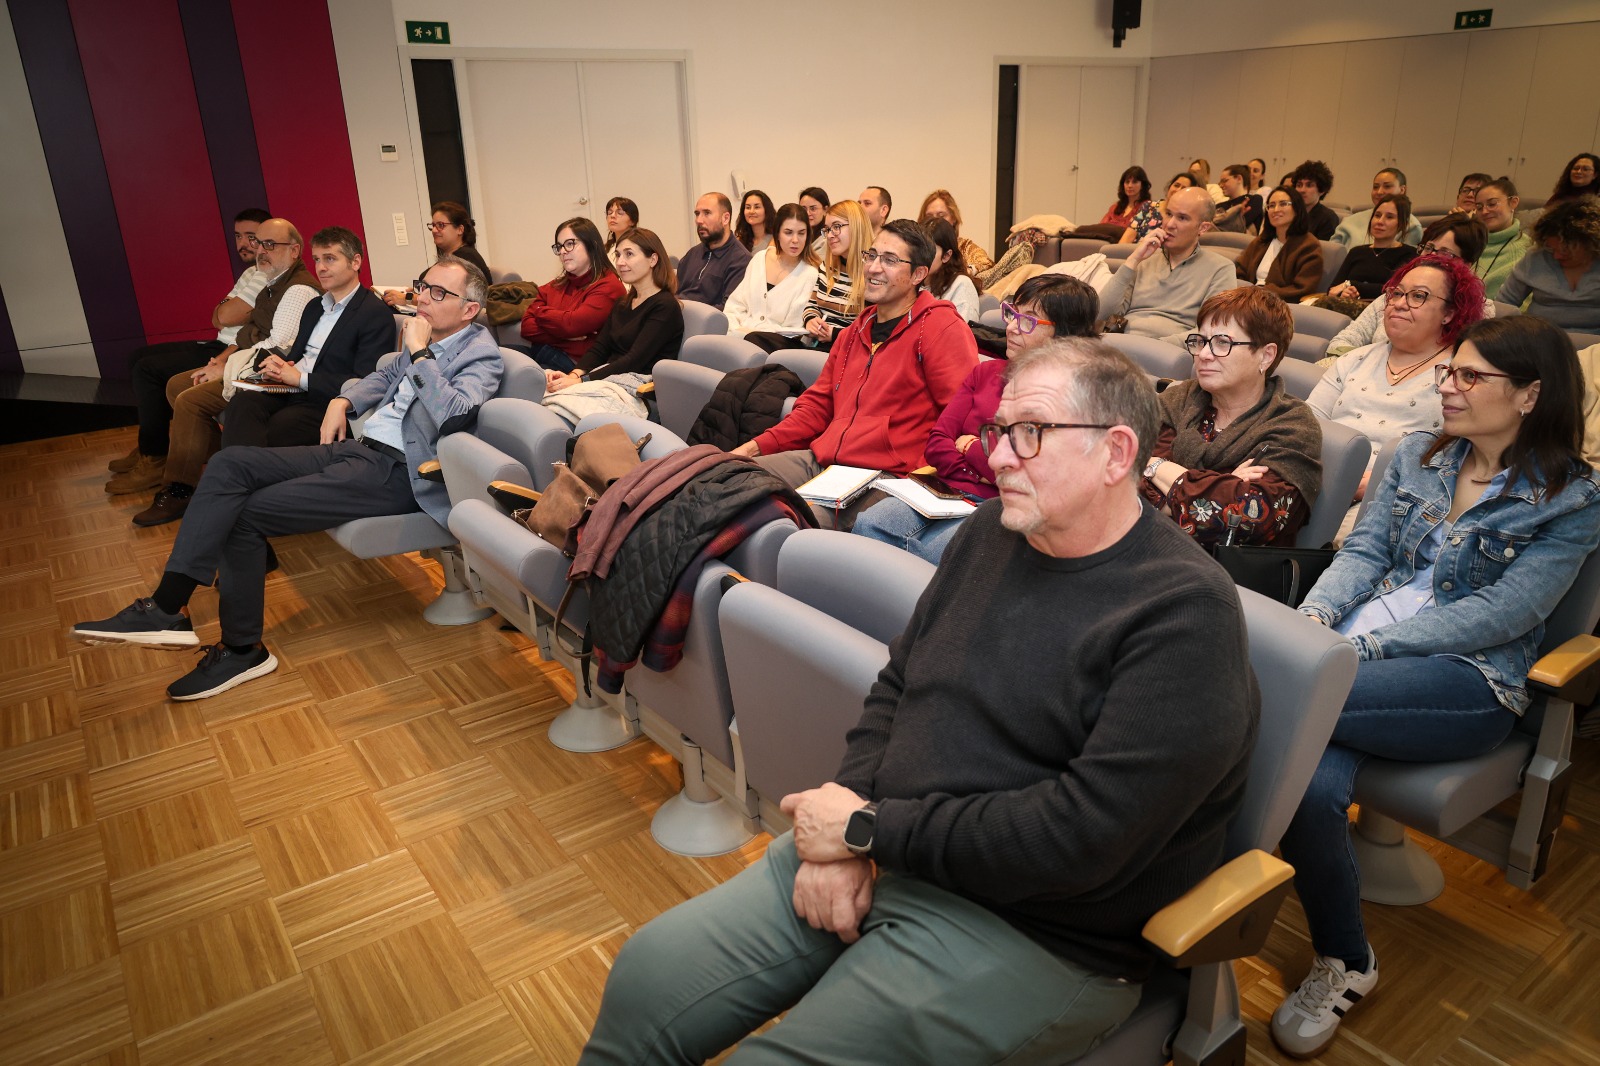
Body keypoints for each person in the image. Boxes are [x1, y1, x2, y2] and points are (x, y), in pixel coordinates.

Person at [579, 339, 1260, 1066]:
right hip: (893, 845)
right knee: (647, 978)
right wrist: (851, 811)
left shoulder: (1183, 617)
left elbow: (1082, 839)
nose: (997, 458)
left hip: (1036, 930)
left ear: (1116, 453)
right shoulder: (989, 534)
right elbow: (901, 683)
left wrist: (866, 833)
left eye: (1030, 433)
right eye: (998, 431)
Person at [1271, 314, 1600, 1059]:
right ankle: (1346, 958)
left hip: (1467, 680)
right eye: (1450, 371)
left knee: (1277, 699)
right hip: (1353, 652)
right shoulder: (1417, 454)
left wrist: (1355, 649)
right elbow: (1364, 552)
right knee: (1313, 784)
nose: (1447, 386)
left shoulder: (1572, 498)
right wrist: (1316, 618)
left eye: (1469, 376)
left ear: (1530, 394)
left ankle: (1186, 871)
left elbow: (1505, 612)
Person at [71, 256, 502, 700]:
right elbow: (384, 375)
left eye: (438, 292)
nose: (423, 298)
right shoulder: (425, 338)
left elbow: (453, 414)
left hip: (398, 472)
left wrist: (418, 350)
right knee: (229, 463)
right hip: (358, 451)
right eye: (422, 286)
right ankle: (168, 606)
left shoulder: (480, 354)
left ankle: (241, 650)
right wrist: (342, 402)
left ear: (469, 309)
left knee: (243, 515)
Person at [731, 220, 979, 529]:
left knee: (788, 521)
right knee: (727, 477)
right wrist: (751, 448)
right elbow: (816, 406)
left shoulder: (941, 329)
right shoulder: (855, 331)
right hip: (826, 462)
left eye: (889, 260)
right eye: (871, 255)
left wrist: (922, 474)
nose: (873, 267)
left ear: (918, 274)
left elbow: (962, 419)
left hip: (887, 477)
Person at [852, 274, 1098, 563]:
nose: (1012, 327)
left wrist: (969, 448)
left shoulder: (1072, 397)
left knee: (937, 556)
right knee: (869, 525)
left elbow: (1029, 477)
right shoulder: (986, 373)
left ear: (1064, 335)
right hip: (943, 490)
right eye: (1013, 313)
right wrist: (980, 470)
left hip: (1003, 504)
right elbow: (937, 443)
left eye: (1028, 320)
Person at [134, 218, 321, 527]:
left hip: (273, 374)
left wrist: (228, 367)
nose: (261, 251)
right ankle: (216, 458)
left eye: (270, 244)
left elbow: (278, 346)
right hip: (251, 361)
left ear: (294, 250)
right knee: (177, 385)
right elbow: (248, 333)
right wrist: (219, 361)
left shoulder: (298, 289)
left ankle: (180, 489)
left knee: (189, 400)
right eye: (259, 243)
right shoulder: (271, 283)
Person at [1311, 254, 1487, 539]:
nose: (1400, 303)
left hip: (1400, 497)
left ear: (1449, 313)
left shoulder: (1459, 377)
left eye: (1418, 296)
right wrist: (1331, 474)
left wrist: (1381, 480)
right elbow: (1308, 424)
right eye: (1396, 293)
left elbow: (1458, 457)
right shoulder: (1355, 359)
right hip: (1322, 476)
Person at [108, 207, 271, 495]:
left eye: (251, 236)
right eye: (237, 236)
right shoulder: (250, 272)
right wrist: (226, 311)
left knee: (148, 370)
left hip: (232, 349)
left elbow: (226, 314)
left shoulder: (266, 275)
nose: (243, 243)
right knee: (138, 357)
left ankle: (154, 457)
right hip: (218, 342)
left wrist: (226, 311)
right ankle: (152, 445)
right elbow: (218, 318)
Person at [1141, 286, 1321, 546]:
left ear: (1266, 355)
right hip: (1145, 544)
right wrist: (1224, 485)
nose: (1203, 354)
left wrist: (1153, 465)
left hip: (1222, 567)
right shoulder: (1178, 400)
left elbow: (1249, 519)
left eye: (1222, 343)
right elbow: (1119, 477)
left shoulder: (1292, 426)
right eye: (1200, 341)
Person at [217, 227, 396, 453]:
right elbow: (298, 357)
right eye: (317, 259)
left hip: (328, 400)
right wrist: (280, 367)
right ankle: (236, 472)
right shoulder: (314, 307)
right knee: (242, 403)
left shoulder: (374, 313)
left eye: (330, 259)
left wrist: (300, 379)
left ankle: (240, 472)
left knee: (277, 428)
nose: (320, 267)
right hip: (292, 390)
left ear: (355, 262)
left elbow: (364, 381)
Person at [543, 228, 683, 395]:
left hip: (639, 389)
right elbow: (600, 349)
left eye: (629, 254)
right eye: (618, 255)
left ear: (652, 260)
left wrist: (580, 382)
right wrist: (573, 375)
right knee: (547, 393)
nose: (620, 262)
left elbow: (634, 360)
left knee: (557, 400)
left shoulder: (665, 306)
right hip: (611, 380)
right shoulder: (622, 303)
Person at [1327, 214, 1490, 356]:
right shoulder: (1396, 294)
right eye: (1429, 248)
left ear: (1466, 265)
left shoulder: (1478, 312)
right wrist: (1361, 366)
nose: (1430, 257)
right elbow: (1342, 340)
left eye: (1445, 253)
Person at [1101, 186, 1237, 342]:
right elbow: (1101, 314)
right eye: (1169, 214)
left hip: (1172, 350)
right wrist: (1133, 260)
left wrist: (1159, 346)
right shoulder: (1144, 260)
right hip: (1122, 344)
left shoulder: (1220, 268)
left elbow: (1212, 329)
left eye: (1182, 218)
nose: (1170, 224)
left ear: (1203, 227)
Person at [747, 200, 872, 354]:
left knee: (779, 364)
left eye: (837, 227)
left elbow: (872, 331)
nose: (830, 235)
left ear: (856, 226)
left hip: (846, 350)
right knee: (755, 339)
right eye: (827, 229)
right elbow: (812, 305)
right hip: (816, 345)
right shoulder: (828, 267)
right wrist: (811, 320)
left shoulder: (872, 273)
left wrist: (833, 334)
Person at [519, 217, 626, 373]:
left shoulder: (608, 286)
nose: (563, 251)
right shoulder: (558, 284)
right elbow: (526, 327)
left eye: (570, 244)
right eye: (559, 246)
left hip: (576, 366)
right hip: (546, 353)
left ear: (591, 245)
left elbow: (571, 325)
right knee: (502, 354)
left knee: (517, 375)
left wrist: (539, 311)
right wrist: (563, 334)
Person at [1496, 196, 1600, 333]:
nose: (1556, 256)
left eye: (1565, 250)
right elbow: (1504, 304)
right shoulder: (1536, 257)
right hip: (1541, 337)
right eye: (1551, 249)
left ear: (1589, 244)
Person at [723, 203, 820, 339]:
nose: (795, 240)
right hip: (739, 335)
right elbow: (735, 306)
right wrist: (736, 330)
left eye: (801, 233)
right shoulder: (760, 258)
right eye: (788, 232)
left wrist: (752, 335)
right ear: (777, 233)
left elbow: (794, 330)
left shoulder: (810, 275)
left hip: (774, 344)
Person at [1319, 194, 1417, 316]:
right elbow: (1333, 289)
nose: (1380, 221)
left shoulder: (1409, 254)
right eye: (1377, 215)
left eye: (1389, 217)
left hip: (1382, 313)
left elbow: (1391, 289)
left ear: (1402, 224)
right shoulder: (1357, 252)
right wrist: (1345, 293)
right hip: (1347, 310)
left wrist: (1352, 284)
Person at [383, 202, 487, 306]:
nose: (434, 230)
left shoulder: (467, 258)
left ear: (460, 229)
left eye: (440, 225)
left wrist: (409, 298)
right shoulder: (451, 257)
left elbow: (450, 300)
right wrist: (418, 292)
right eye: (433, 225)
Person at [1236, 186, 1325, 301]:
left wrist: (1261, 293)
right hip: (1247, 299)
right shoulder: (1261, 241)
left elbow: (1302, 288)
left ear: (1297, 209)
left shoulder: (1309, 246)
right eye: (1271, 205)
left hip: (1280, 305)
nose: (1276, 210)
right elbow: (1241, 272)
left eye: (1283, 204)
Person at [676, 192, 751, 309]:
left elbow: (728, 309)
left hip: (709, 320)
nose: (699, 220)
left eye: (707, 213)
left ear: (725, 218)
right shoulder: (692, 254)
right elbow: (674, 293)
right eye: (697, 214)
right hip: (679, 316)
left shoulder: (741, 260)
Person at [1470, 178, 1535, 300]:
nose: (1484, 211)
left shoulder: (1526, 251)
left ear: (1513, 202)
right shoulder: (1469, 240)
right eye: (1479, 207)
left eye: (1492, 204)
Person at [1332, 168, 1426, 248]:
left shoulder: (1411, 226)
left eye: (1387, 186)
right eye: (1375, 187)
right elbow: (1332, 254)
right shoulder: (1350, 221)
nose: (1379, 192)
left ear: (1402, 190)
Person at [918, 189, 993, 274]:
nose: (934, 221)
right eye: (929, 216)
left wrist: (967, 271)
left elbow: (986, 263)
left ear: (953, 218)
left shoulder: (964, 247)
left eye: (941, 216)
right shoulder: (915, 248)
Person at [920, 218, 980, 321]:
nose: (920, 255)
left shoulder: (961, 284)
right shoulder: (912, 283)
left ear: (946, 255)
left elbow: (962, 329)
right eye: (918, 248)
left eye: (929, 250)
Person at [1119, 172, 1199, 244]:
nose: (1178, 190)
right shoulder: (1149, 206)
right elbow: (1127, 237)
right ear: (1169, 187)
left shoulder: (1184, 217)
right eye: (1176, 185)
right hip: (1135, 251)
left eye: (1183, 188)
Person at [1292, 160, 1341, 241]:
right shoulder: (1289, 212)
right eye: (1299, 185)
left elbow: (1322, 247)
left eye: (1309, 185)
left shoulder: (1328, 218)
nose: (1302, 190)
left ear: (1322, 190)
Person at [1213, 164, 1262, 234]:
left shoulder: (1254, 200)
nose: (1220, 185)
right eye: (1220, 182)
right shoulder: (1219, 206)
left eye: (1225, 181)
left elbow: (1240, 224)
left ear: (1239, 178)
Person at [735, 189, 776, 253]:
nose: (751, 211)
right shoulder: (739, 241)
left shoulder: (776, 239)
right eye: (748, 207)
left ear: (767, 210)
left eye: (757, 207)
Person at [603, 196, 639, 263]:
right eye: (609, 212)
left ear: (632, 221)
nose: (612, 216)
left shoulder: (638, 246)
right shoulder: (606, 248)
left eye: (620, 213)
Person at [799, 186, 831, 257]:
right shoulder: (799, 235)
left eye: (813, 209)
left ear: (826, 210)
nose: (807, 213)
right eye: (803, 209)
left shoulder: (828, 238)